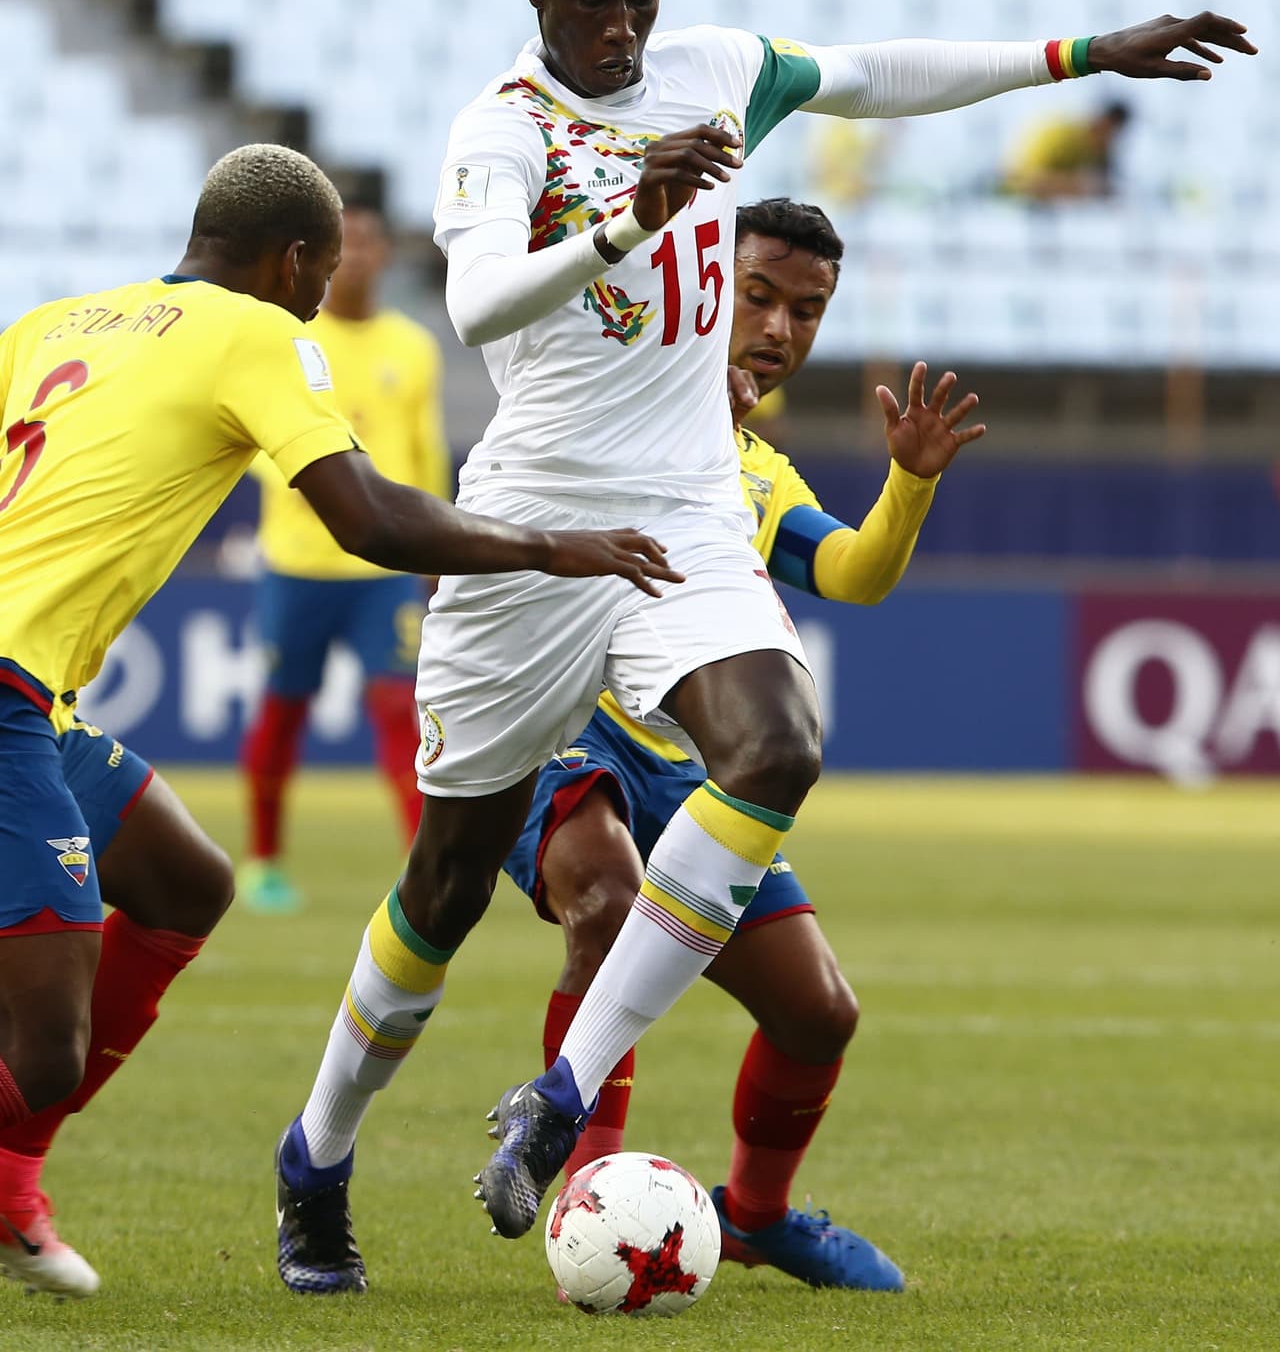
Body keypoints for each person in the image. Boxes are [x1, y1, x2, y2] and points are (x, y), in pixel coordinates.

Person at [272, 0, 1254, 1295]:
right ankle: (316, 1154)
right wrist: (627, 216)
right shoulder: (503, 130)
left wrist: (1083, 52)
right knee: (444, 882)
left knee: (777, 742)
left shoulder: (718, 72)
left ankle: (562, 1094)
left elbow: (875, 75)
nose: (620, 26)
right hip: (535, 526)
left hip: (681, 511)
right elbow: (476, 300)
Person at [0, 143, 677, 1299]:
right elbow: (364, 516)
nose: (324, 295)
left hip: (35, 695)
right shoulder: (258, 333)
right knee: (45, 1049)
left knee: (184, 882)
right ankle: (11, 1171)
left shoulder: (53, 322)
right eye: (321, 272)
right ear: (292, 258)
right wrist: (548, 545)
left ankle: (12, 1182)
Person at [504, 196, 981, 1292]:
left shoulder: (759, 473)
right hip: (562, 730)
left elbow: (852, 573)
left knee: (818, 1012)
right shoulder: (593, 401)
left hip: (687, 771)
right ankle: (586, 1196)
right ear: (704, 286)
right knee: (603, 905)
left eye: (805, 311)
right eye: (757, 296)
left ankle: (756, 1217)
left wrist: (909, 482)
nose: (777, 329)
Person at [239, 203, 451, 913]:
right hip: (297, 562)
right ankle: (264, 861)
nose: (356, 256)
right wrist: (315, 484)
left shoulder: (412, 346)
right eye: (344, 244)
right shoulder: (288, 337)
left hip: (380, 566)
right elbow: (258, 447)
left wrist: (433, 543)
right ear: (320, 257)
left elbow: (424, 450)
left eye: (367, 243)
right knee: (283, 712)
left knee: (398, 711)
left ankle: (423, 875)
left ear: (385, 255)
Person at [1001, 99, 1133, 201]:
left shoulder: (1097, 151)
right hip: (1014, 196)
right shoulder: (1061, 136)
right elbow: (1027, 180)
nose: (1114, 142)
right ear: (1104, 124)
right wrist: (1085, 187)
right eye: (1114, 134)